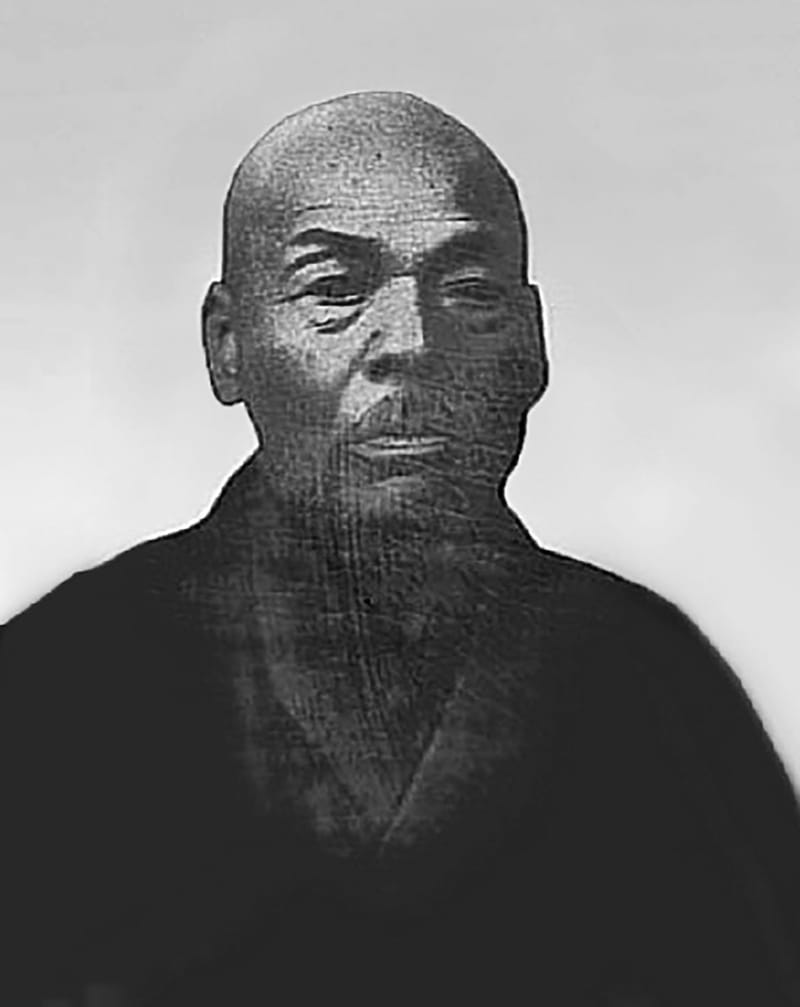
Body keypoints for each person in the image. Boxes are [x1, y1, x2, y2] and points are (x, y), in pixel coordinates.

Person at [2, 91, 799, 1007]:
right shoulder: (57, 674)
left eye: (469, 292)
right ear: (228, 345)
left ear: (532, 345)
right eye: (335, 290)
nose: (414, 343)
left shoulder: (653, 677)